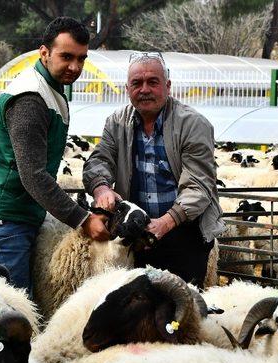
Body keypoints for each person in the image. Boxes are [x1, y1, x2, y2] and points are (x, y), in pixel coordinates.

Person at [0, 17, 109, 292]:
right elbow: (33, 174)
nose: (75, 67)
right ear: (44, 53)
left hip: (11, 218)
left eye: (81, 59)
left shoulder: (48, 89)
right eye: (66, 57)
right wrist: (83, 220)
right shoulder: (31, 99)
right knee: (8, 316)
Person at [82, 52, 225, 287]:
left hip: (183, 232)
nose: (144, 89)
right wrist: (101, 188)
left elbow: (199, 185)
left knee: (181, 307)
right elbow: (100, 159)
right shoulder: (117, 122)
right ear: (127, 88)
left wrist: (166, 222)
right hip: (136, 234)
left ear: (167, 86)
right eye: (137, 83)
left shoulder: (192, 124)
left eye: (153, 82)